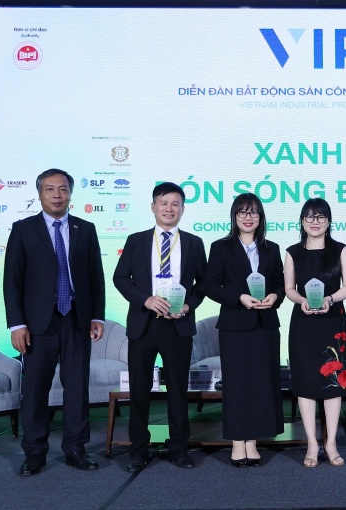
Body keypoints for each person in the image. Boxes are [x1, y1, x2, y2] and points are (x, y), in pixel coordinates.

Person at [3, 168, 106, 476]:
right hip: (37, 325)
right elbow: (12, 281)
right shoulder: (23, 229)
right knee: (35, 389)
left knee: (77, 388)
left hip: (76, 319)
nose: (57, 195)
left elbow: (95, 277)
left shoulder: (85, 228)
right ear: (40, 194)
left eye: (63, 189)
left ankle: (76, 449)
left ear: (70, 194)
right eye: (50, 189)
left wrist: (96, 315)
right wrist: (16, 324)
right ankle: (35, 452)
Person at [113, 182, 207, 472]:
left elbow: (203, 284)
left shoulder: (194, 243)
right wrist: (146, 299)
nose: (169, 209)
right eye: (164, 203)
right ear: (153, 207)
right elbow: (120, 278)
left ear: (182, 209)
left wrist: (188, 305)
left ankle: (179, 447)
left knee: (178, 391)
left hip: (178, 327)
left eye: (175, 204)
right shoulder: (136, 240)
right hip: (144, 326)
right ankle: (138, 450)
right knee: (139, 391)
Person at [203, 193, 284, 467]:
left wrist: (274, 296)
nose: (248, 217)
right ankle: (238, 441)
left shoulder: (271, 248)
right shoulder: (220, 247)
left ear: (261, 217)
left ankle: (254, 441)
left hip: (265, 324)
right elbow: (211, 285)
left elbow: (280, 283)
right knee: (237, 384)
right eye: (242, 212)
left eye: (253, 212)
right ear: (234, 216)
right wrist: (239, 297)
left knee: (262, 383)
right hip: (235, 325)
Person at [284, 198, 346, 468]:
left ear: (328, 221)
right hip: (303, 324)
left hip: (332, 323)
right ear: (302, 221)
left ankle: (331, 443)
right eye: (310, 217)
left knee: (333, 383)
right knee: (305, 383)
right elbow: (289, 289)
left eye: (321, 217)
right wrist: (301, 300)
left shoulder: (340, 250)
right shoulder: (292, 252)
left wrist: (330, 299)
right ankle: (312, 444)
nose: (315, 222)